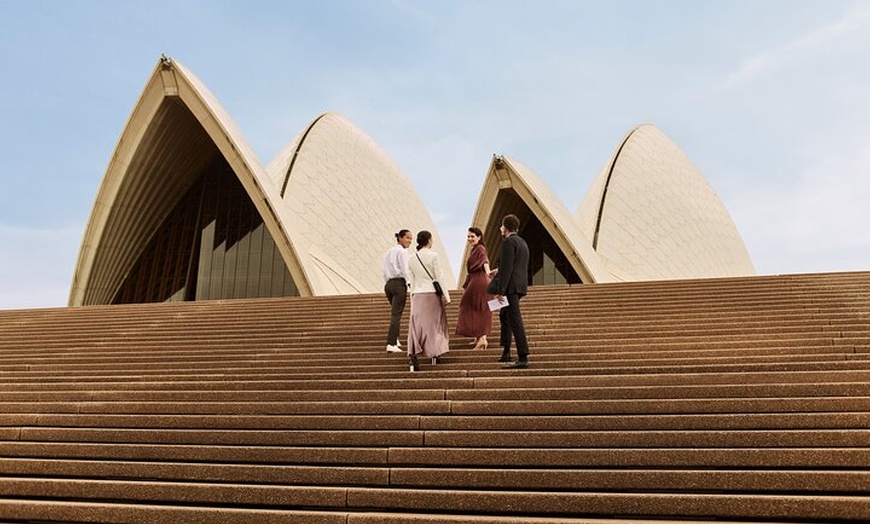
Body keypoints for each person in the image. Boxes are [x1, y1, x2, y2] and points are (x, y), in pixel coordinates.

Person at [406, 230, 450, 372]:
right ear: (429, 240)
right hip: (432, 295)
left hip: (417, 295)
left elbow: (412, 280)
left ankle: (413, 356)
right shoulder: (433, 256)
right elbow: (439, 276)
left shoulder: (411, 259)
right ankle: (435, 354)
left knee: (416, 326)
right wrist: (447, 296)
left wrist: (412, 298)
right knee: (435, 325)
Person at [493, 214, 530, 369]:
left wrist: (500, 290)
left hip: (510, 287)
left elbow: (507, 267)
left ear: (505, 228)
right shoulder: (522, 242)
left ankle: (523, 356)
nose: (501, 229)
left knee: (515, 319)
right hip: (519, 285)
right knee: (504, 315)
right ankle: (506, 351)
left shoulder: (509, 242)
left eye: (502, 227)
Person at [455, 226, 494, 350]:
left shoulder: (480, 248)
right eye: (468, 236)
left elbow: (485, 261)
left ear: (479, 237)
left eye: (472, 236)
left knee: (476, 307)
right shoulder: (474, 249)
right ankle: (478, 337)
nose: (470, 238)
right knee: (477, 307)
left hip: (479, 280)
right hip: (475, 280)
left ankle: (482, 338)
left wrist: (488, 272)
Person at [383, 229, 412, 353]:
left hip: (389, 284)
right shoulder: (403, 252)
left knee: (395, 313)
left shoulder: (388, 252)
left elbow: (385, 270)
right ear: (400, 238)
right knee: (396, 315)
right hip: (399, 284)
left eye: (411, 238)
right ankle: (391, 343)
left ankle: (395, 339)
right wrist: (409, 283)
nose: (410, 241)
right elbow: (405, 269)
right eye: (407, 238)